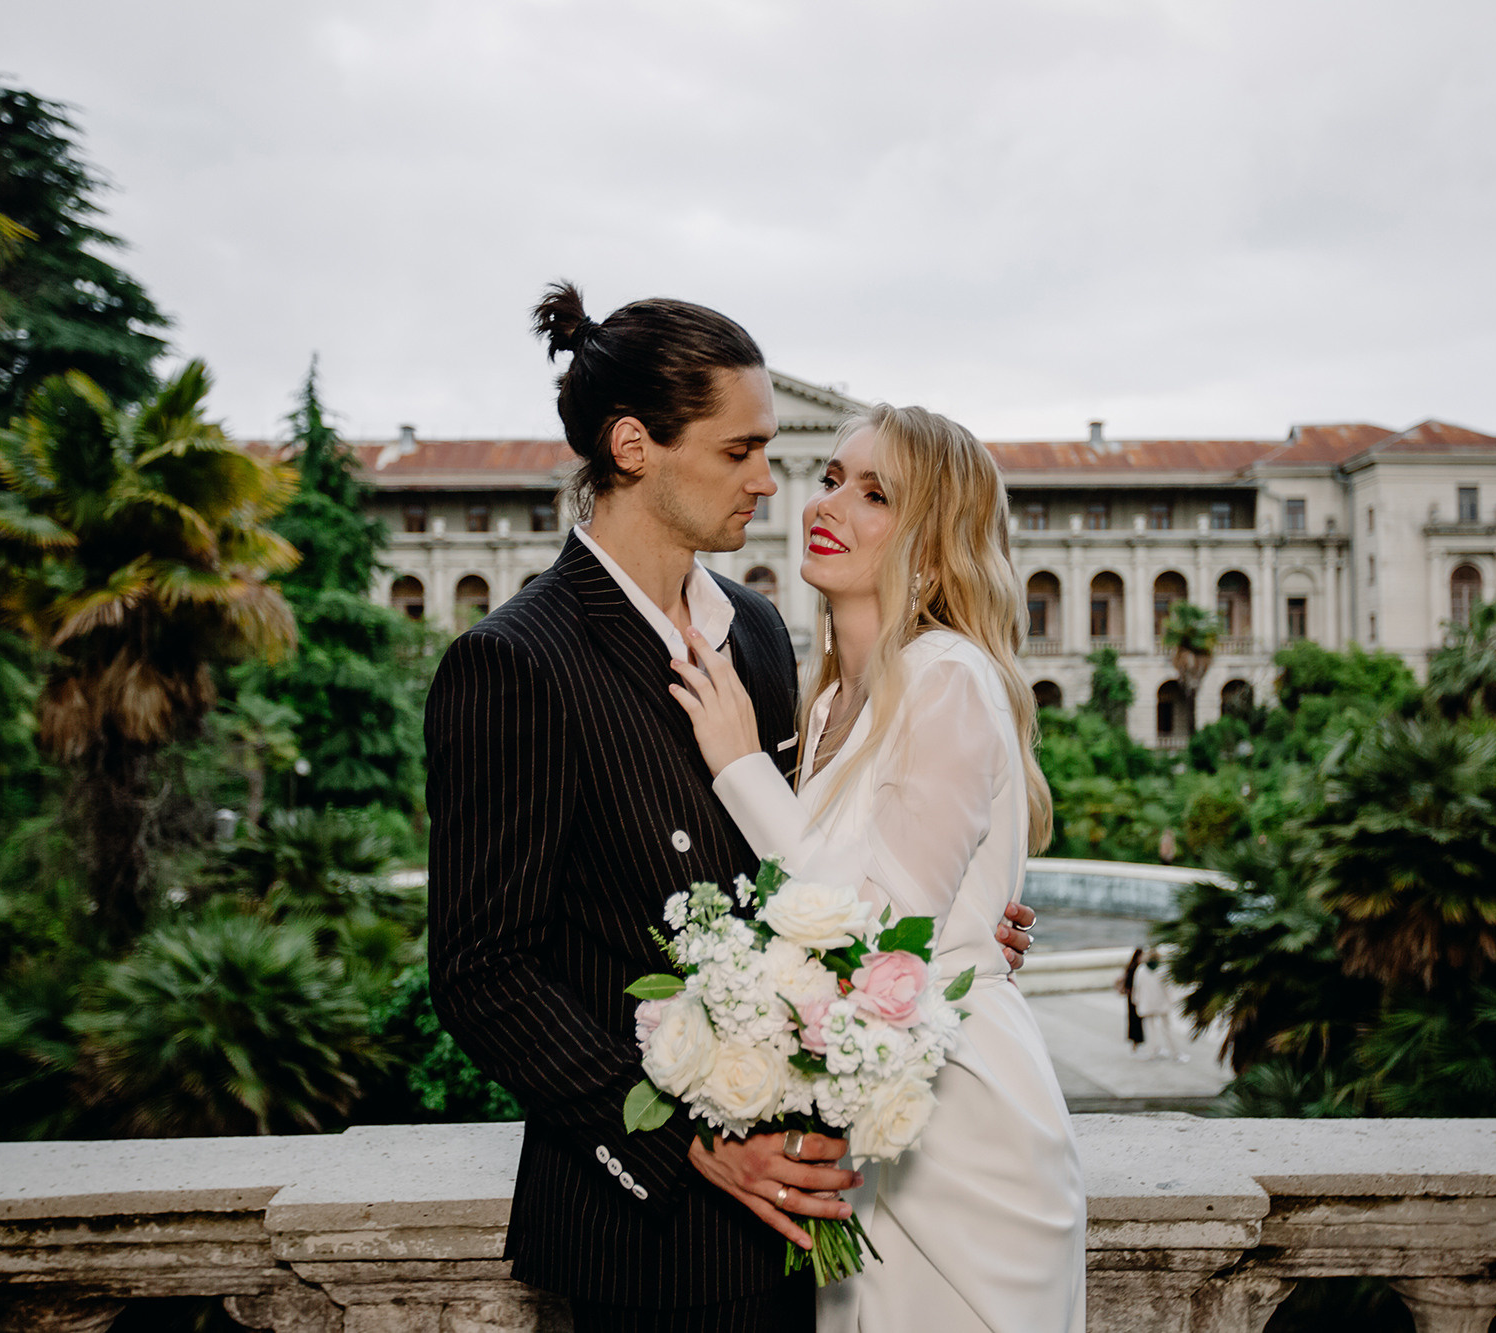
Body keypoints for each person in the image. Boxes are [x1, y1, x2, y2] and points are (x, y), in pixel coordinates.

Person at [425, 286, 1038, 1333]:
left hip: (826, 1202)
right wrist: (685, 1141)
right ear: (633, 446)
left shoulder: (754, 630)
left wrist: (943, 940)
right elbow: (483, 971)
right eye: (739, 452)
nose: (773, 481)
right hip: (655, 1238)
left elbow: (821, 872)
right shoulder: (514, 661)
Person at [667, 404, 1088, 1332]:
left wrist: (739, 767)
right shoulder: (827, 703)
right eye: (830, 479)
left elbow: (878, 931)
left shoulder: (949, 675)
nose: (830, 504)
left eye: (876, 494)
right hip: (867, 1122)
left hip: (963, 1132)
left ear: (935, 550)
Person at [1123, 946, 1186, 1062]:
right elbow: (1169, 988)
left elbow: (1137, 987)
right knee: (1167, 1029)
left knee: (1150, 1029)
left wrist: (1136, 1001)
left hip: (1147, 1004)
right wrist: (1173, 1000)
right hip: (1161, 1003)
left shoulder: (1141, 970)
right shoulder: (1163, 969)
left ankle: (1152, 1052)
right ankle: (1176, 1053)